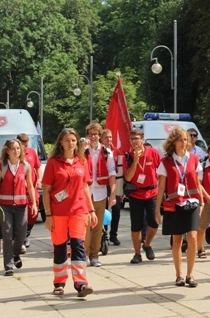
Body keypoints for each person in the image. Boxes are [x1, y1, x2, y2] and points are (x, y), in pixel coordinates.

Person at [42, 127, 97, 297]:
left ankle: (81, 283)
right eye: (67, 140)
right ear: (61, 142)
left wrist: (91, 210)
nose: (70, 143)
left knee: (78, 246)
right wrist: (48, 215)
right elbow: (46, 190)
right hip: (58, 213)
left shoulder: (82, 161)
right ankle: (59, 283)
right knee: (59, 247)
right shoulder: (53, 163)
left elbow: (85, 187)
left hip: (78, 211)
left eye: (73, 140)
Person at [155, 127, 203, 287]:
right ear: (173, 142)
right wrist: (157, 210)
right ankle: (179, 275)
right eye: (181, 139)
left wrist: (202, 202)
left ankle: (190, 275)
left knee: (192, 238)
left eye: (186, 139)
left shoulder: (194, 159)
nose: (184, 142)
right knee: (176, 240)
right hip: (174, 205)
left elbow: (198, 182)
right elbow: (161, 188)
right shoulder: (166, 162)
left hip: (192, 203)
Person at [0, 139, 37, 276]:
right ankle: (8, 265)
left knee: (21, 234)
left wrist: (33, 203)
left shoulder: (26, 166)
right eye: (13, 149)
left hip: (21, 206)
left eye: (18, 148)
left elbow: (30, 186)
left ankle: (16, 255)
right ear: (7, 151)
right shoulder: (1, 167)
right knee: (7, 235)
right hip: (5, 207)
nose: (16, 151)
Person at [124, 128, 161, 264]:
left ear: (142, 139)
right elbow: (128, 178)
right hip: (136, 193)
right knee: (136, 225)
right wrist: (135, 161)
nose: (134, 142)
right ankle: (137, 253)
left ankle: (147, 244)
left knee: (154, 222)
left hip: (151, 193)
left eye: (136, 139)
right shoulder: (128, 155)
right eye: (131, 139)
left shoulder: (153, 153)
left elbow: (161, 171)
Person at [83, 122, 117, 267]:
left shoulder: (106, 152)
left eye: (96, 134)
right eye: (91, 134)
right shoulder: (83, 151)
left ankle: (94, 256)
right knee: (86, 225)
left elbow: (112, 173)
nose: (93, 137)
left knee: (98, 226)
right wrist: (81, 149)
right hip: (86, 192)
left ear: (99, 135)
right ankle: (83, 254)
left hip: (101, 192)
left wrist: (113, 195)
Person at [16, 133, 42, 253]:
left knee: (34, 213)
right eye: (22, 145)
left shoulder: (31, 152)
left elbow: (38, 167)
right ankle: (19, 239)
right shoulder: (14, 154)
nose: (25, 148)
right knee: (21, 215)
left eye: (26, 145)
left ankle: (27, 233)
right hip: (19, 190)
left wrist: (40, 180)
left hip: (32, 188)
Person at [101, 129, 123, 246]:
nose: (109, 139)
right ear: (101, 138)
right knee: (103, 211)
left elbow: (121, 171)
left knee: (117, 210)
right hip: (102, 185)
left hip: (114, 185)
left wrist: (121, 189)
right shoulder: (99, 151)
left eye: (110, 137)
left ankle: (113, 235)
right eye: (106, 137)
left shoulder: (117, 151)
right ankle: (103, 234)